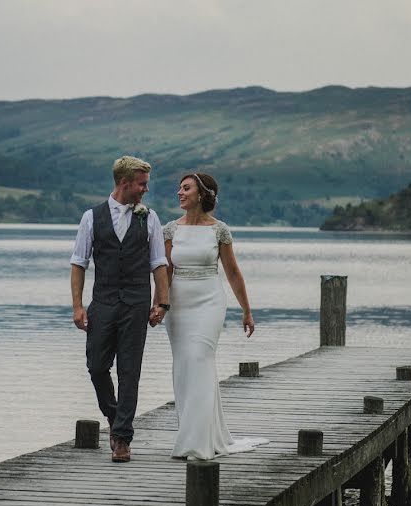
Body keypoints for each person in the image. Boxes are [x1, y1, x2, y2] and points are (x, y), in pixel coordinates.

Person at [70, 155, 170, 463]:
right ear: (124, 183)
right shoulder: (92, 217)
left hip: (136, 304)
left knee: (130, 370)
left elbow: (158, 263)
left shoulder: (148, 218)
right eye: (141, 184)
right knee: (97, 366)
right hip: (102, 303)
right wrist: (77, 306)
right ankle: (115, 417)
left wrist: (162, 303)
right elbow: (79, 263)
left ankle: (123, 438)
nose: (145, 190)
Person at [163, 172, 268, 460]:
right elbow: (165, 272)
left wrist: (247, 310)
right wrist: (159, 304)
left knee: (199, 357)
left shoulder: (219, 230)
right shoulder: (170, 230)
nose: (179, 193)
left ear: (202, 194)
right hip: (178, 304)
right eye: (179, 189)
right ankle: (196, 433)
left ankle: (196, 443)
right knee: (185, 366)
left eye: (186, 188)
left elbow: (233, 273)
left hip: (209, 300)